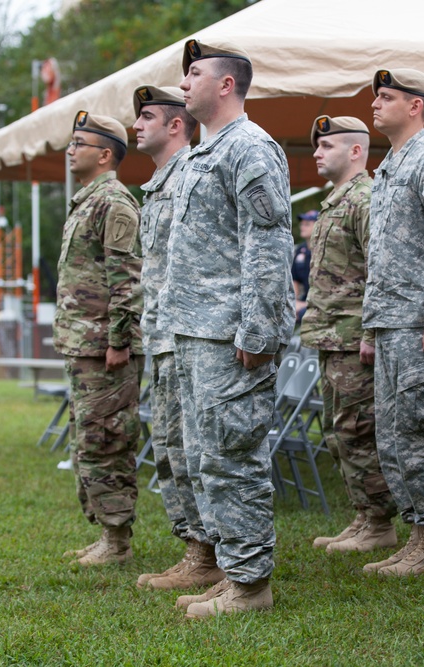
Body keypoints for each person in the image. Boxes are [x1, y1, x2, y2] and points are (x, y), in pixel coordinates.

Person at [157, 39, 293, 619]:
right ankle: (231, 569)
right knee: (207, 455)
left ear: (226, 85)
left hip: (228, 336)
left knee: (234, 456)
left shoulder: (251, 149)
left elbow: (267, 247)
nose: (183, 85)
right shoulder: (203, 153)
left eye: (194, 75)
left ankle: (250, 585)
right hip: (194, 331)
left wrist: (258, 332)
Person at [361, 68, 424, 578]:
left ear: (416, 105)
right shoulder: (389, 166)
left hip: (419, 324)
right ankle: (418, 534)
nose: (375, 105)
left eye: (386, 97)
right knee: (395, 435)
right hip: (390, 321)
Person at [129, 84, 223, 590]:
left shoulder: (192, 175)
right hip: (162, 333)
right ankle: (194, 547)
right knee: (169, 446)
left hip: (189, 334)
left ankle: (210, 552)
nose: (136, 125)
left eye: (147, 116)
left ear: (175, 125)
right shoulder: (159, 183)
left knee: (194, 446)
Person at [302, 114, 397, 553]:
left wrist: (372, 333)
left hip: (353, 337)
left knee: (360, 428)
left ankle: (380, 523)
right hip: (331, 335)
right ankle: (363, 515)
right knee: (341, 430)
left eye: (327, 146)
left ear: (356, 151)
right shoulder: (336, 200)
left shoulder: (366, 199)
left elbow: (382, 271)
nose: (317, 153)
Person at [55, 110, 144, 567]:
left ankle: (117, 541)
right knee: (87, 438)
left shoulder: (115, 203)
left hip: (106, 348)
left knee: (108, 437)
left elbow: (126, 281)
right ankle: (106, 534)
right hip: (84, 344)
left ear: (105, 154)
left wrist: (119, 341)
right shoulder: (88, 200)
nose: (70, 150)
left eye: (79, 143)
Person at [292, 211, 316, 322]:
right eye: (302, 224)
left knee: (303, 314)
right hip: (304, 300)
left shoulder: (327, 249)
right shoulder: (300, 251)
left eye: (307, 224)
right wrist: (294, 302)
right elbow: (294, 280)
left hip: (322, 302)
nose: (302, 227)